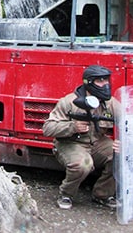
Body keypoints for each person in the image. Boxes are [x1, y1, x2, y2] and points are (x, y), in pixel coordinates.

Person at [42, 65, 120, 210]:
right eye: (100, 81)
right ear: (89, 83)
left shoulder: (110, 103)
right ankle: (66, 194)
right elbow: (47, 128)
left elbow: (128, 120)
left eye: (106, 80)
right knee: (82, 164)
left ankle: (102, 194)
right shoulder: (69, 102)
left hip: (97, 143)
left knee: (121, 156)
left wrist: (123, 142)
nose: (105, 85)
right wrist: (72, 127)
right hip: (71, 144)